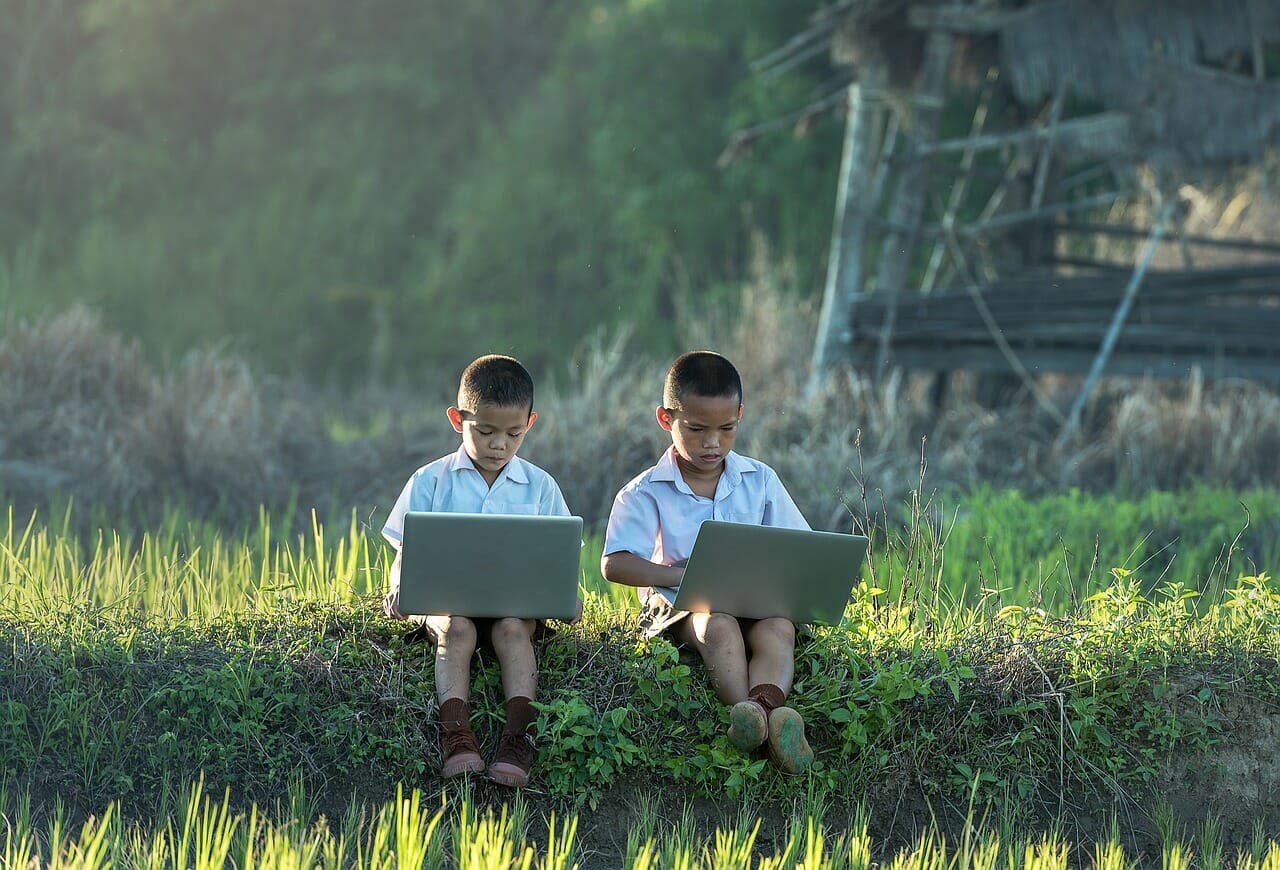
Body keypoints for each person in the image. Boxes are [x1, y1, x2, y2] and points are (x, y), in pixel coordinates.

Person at [600, 351, 814, 774]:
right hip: (682, 599)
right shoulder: (646, 491)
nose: (712, 443)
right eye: (696, 430)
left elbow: (799, 545)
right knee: (717, 625)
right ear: (666, 419)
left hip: (751, 594)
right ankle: (758, 717)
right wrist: (679, 575)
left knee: (778, 627)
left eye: (726, 429)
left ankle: (760, 713)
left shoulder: (760, 479)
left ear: (740, 416)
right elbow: (615, 563)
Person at [381, 354, 575, 787]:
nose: (499, 445)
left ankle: (518, 736)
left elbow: (556, 554)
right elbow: (405, 550)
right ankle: (456, 733)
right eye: (484, 432)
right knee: (458, 629)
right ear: (457, 419)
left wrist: (567, 596)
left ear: (530, 422)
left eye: (513, 434)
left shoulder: (541, 486)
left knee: (512, 629)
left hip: (514, 603)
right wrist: (399, 588)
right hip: (447, 599)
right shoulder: (430, 480)